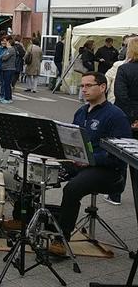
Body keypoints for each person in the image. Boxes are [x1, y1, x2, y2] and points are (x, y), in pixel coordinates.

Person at [49, 72, 133, 256]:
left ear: (102, 87)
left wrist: (89, 160)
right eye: (82, 86)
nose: (84, 90)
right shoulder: (81, 111)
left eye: (88, 85)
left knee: (72, 189)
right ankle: (29, 219)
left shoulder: (116, 116)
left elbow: (120, 154)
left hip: (107, 170)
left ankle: (61, 238)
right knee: (40, 171)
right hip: (80, 162)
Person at [0, 36, 16, 103]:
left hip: (9, 68)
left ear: (9, 43)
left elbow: (4, 57)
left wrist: (2, 56)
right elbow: (1, 56)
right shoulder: (8, 50)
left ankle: (7, 98)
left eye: (7, 42)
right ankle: (8, 97)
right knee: (6, 84)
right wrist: (2, 56)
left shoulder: (11, 50)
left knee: (7, 84)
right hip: (7, 68)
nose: (6, 43)